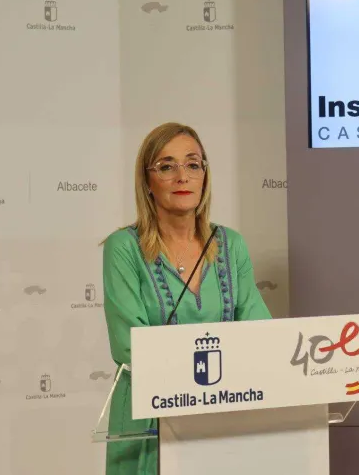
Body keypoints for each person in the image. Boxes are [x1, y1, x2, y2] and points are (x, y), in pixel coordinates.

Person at [101, 122, 272, 475]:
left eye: (193, 164)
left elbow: (259, 332)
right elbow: (129, 345)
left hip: (222, 413)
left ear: (204, 176)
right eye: (167, 166)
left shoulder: (231, 244)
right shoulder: (124, 248)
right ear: (147, 181)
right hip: (149, 417)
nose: (183, 176)